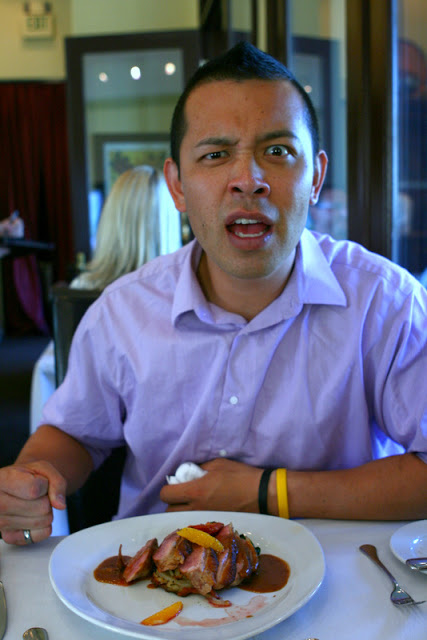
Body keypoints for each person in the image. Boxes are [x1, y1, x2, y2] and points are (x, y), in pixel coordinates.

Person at [1, 42, 426, 546]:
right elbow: (74, 432)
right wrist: (33, 476)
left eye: (278, 151)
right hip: (151, 574)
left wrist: (270, 492)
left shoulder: (386, 302)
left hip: (339, 578)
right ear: (177, 186)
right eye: (216, 155)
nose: (248, 181)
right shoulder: (124, 310)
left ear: (315, 177)